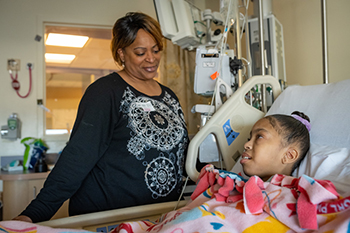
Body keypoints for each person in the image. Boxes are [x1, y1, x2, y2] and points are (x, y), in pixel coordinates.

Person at [14, 12, 189, 223]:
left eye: (156, 50)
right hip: (110, 217)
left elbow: (181, 150)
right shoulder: (105, 93)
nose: (151, 59)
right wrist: (33, 214)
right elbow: (78, 156)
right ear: (121, 53)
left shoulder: (168, 96)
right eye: (140, 52)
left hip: (158, 215)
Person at [240, 111, 310, 181]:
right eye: (249, 139)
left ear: (289, 155)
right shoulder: (234, 184)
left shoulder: (296, 190)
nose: (246, 145)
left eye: (259, 137)